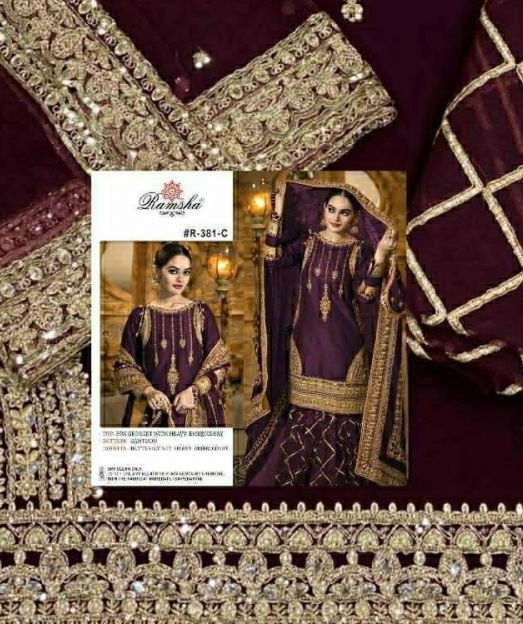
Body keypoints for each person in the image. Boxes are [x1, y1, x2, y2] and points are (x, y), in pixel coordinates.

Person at [246, 180, 407, 486]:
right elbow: (273, 259)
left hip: (344, 350)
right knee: (301, 415)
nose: (336, 217)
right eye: (331, 209)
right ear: (323, 210)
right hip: (306, 348)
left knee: (343, 420)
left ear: (355, 217)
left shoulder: (359, 251)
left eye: (344, 212)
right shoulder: (307, 244)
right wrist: (277, 213)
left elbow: (366, 294)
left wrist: (381, 256)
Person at [113, 243, 229, 427]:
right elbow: (124, 366)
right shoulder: (140, 317)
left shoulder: (202, 314)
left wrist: (194, 391)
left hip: (195, 414)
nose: (180, 279)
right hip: (151, 414)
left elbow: (219, 365)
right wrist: (148, 391)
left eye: (186, 272)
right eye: (173, 271)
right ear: (157, 271)